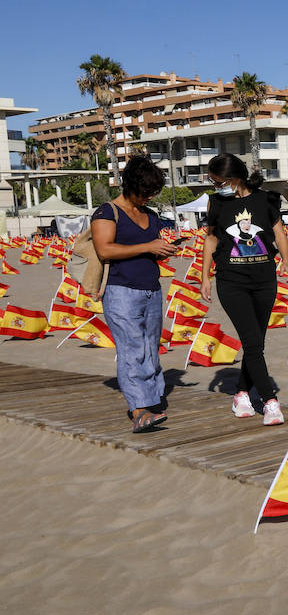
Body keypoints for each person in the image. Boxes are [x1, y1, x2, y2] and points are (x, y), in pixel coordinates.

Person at [200, 153, 288, 426]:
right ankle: (269, 399)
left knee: (256, 343)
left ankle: (241, 392)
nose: (216, 186)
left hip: (265, 280)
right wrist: (204, 277)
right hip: (232, 281)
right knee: (252, 342)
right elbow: (211, 240)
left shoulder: (267, 199)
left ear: (234, 179)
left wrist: (286, 262)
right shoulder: (216, 202)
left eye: (218, 181)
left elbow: (279, 233)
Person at [91, 156, 178, 433]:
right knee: (132, 349)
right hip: (120, 291)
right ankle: (139, 410)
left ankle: (152, 400)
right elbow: (105, 250)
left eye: (154, 192)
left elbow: (149, 250)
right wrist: (149, 246)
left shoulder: (150, 215)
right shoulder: (107, 212)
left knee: (151, 348)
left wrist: (164, 249)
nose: (150, 196)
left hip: (151, 289)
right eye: (146, 192)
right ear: (130, 186)